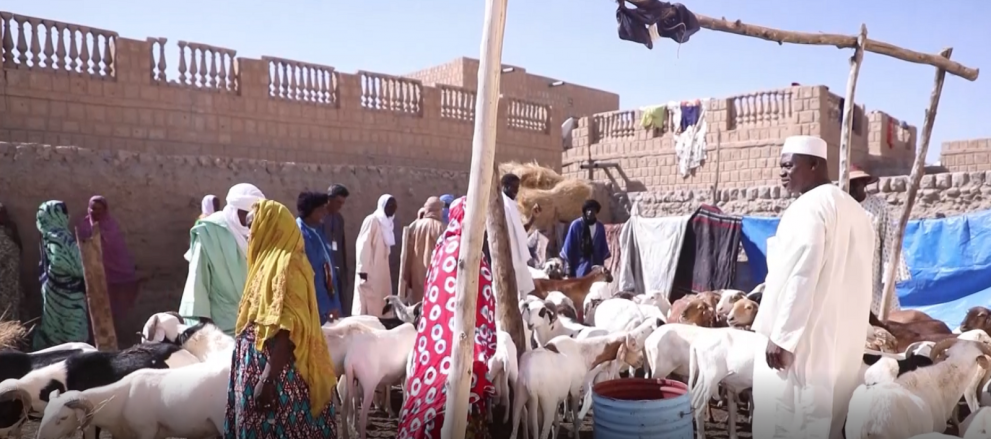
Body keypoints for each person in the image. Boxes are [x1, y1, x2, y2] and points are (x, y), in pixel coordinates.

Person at [750, 135, 874, 439]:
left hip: (806, 338)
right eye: (780, 166)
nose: (782, 173)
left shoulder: (809, 207)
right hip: (844, 339)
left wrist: (782, 336)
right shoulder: (857, 212)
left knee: (787, 417)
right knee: (829, 418)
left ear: (814, 164)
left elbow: (801, 274)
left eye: (789, 165)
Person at [223, 199, 337, 438]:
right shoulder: (264, 264)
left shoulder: (289, 265)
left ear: (272, 228)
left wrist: (267, 378)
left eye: (254, 227)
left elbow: (289, 326)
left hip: (281, 376)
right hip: (256, 368)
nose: (249, 233)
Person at [396, 197, 497, 439]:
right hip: (460, 349)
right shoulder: (468, 251)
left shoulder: (444, 246)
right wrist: (483, 342)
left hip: (434, 346)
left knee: (434, 397)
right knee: (459, 404)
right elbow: (482, 301)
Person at [179, 183, 266, 335]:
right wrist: (206, 330)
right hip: (221, 327)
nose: (250, 221)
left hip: (255, 325)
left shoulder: (259, 233)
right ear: (234, 209)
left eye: (255, 216)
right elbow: (197, 282)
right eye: (245, 214)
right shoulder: (208, 232)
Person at [848, 166, 912, 316]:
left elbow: (890, 242)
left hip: (873, 272)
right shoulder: (839, 207)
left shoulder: (879, 207)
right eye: (848, 184)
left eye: (855, 183)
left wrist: (889, 277)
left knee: (880, 317)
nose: (851, 188)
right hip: (847, 271)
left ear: (863, 184)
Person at [33, 200, 90, 350]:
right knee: (74, 333)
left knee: (55, 331)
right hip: (68, 295)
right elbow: (73, 265)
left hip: (52, 290)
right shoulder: (60, 237)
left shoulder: (46, 235)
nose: (68, 216)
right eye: (65, 213)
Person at [75, 196, 140, 325]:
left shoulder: (111, 227)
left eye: (100, 209)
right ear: (88, 209)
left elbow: (117, 250)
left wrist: (100, 235)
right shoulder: (83, 227)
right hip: (91, 275)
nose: (96, 212)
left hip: (113, 276)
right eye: (93, 208)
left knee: (112, 308)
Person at [296, 191, 342, 324]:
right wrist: (326, 308)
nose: (325, 213)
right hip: (317, 306)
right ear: (310, 211)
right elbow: (312, 275)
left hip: (329, 301)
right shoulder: (300, 235)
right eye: (321, 210)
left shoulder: (316, 231)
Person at [353, 195, 397, 317]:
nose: (392, 208)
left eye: (394, 205)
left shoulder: (388, 225)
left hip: (381, 272)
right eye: (389, 205)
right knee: (368, 302)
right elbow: (363, 245)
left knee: (381, 301)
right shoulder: (372, 220)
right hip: (369, 270)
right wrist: (363, 270)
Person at [400, 197, 445, 304]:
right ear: (437, 210)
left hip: (416, 272)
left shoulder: (414, 226)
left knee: (417, 302)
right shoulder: (441, 228)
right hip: (434, 272)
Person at [500, 173, 536, 296]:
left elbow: (519, 234)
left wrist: (533, 218)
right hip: (504, 259)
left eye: (517, 188)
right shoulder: (500, 206)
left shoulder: (512, 207)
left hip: (517, 261)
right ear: (505, 186)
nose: (516, 191)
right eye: (513, 187)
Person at [321, 184, 351, 317]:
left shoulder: (339, 219)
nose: (340, 206)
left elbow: (342, 244)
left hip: (337, 268)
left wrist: (344, 268)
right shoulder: (319, 217)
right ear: (329, 199)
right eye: (338, 202)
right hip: (323, 269)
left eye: (342, 203)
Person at [560, 199, 610, 278]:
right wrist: (568, 270)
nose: (590, 212)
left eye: (592, 210)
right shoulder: (576, 225)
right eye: (588, 210)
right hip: (579, 266)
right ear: (585, 211)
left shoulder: (600, 227)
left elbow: (603, 247)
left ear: (596, 212)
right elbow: (568, 248)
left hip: (596, 267)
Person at [0, 203, 22, 321]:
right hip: (3, 284)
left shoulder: (9, 230)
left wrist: (14, 231)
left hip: (12, 281)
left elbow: (19, 249)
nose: (5, 216)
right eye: (2, 214)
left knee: (12, 310)